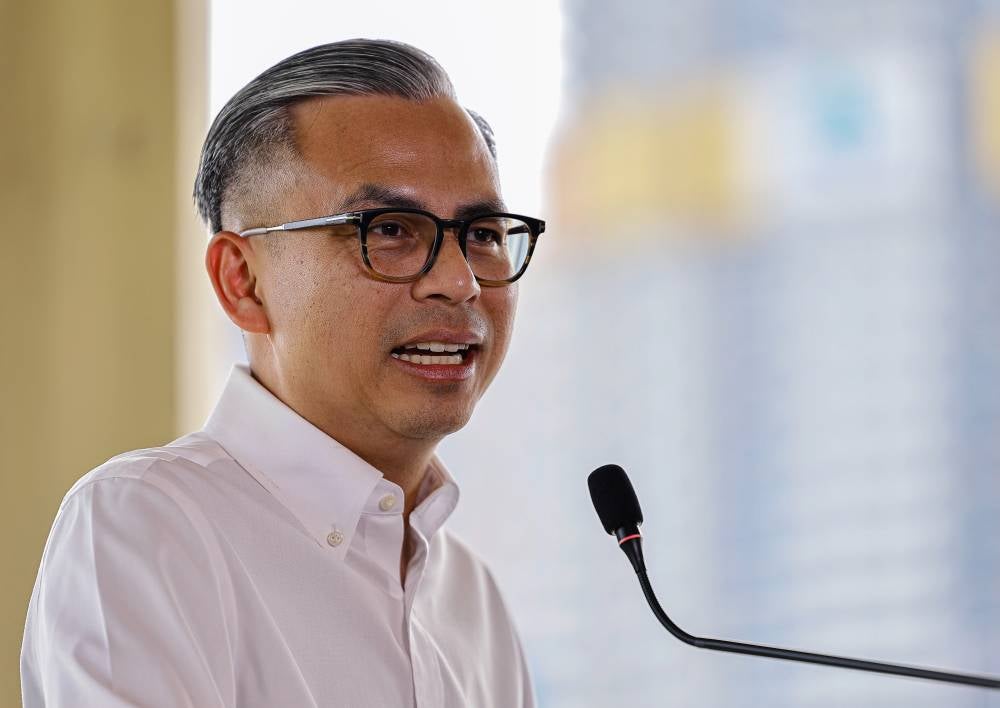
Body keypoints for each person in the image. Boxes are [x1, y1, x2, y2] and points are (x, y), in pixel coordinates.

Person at [20, 39, 543, 707]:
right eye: (388, 229)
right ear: (243, 281)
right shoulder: (147, 526)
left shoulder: (471, 599)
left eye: (483, 233)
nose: (459, 281)